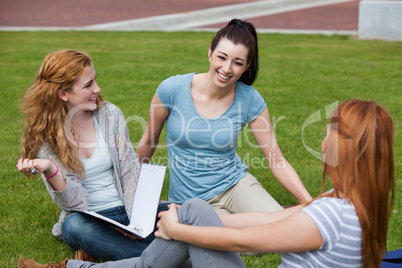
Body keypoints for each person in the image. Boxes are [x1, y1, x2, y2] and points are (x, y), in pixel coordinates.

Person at [18, 99, 395, 268]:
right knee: (195, 208)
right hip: (168, 215)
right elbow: (268, 222)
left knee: (175, 239)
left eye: (331, 131)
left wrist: (182, 230)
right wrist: (185, 218)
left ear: (347, 151)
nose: (323, 139)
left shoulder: (331, 214)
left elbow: (246, 241)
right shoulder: (349, 202)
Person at [136, 19, 312, 215]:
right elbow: (147, 144)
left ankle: (287, 212)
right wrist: (132, 200)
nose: (227, 69)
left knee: (284, 229)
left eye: (237, 63)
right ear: (210, 52)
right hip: (190, 201)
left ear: (246, 66)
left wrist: (311, 203)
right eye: (222, 57)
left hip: (236, 186)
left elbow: (276, 160)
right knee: (226, 238)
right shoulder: (171, 89)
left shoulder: (250, 99)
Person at [16, 49, 168, 261]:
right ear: (63, 94)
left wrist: (137, 224)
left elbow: (130, 172)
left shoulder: (110, 114)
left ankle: (104, 253)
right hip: (91, 220)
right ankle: (159, 259)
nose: (97, 88)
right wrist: (52, 170)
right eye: (88, 85)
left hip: (128, 207)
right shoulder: (44, 137)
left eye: (95, 80)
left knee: (183, 210)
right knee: (74, 226)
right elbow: (75, 204)